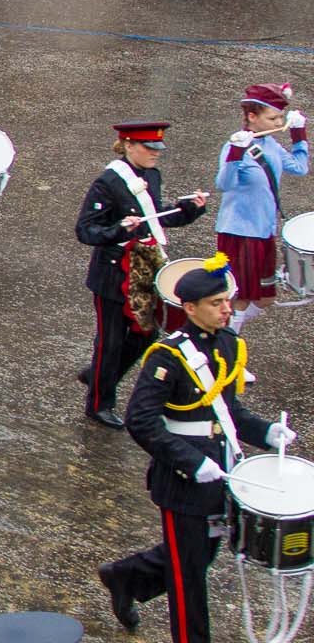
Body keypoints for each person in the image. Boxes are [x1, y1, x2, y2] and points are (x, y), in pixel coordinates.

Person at [96, 254, 291, 643]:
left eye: (228, 301)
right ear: (191, 307)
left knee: (198, 558)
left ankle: (128, 577)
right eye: (218, 303)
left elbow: (229, 411)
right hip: (183, 480)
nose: (227, 309)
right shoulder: (167, 356)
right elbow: (142, 420)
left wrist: (265, 431)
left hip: (221, 471)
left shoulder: (226, 346)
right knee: (190, 576)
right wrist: (189, 460)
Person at [77, 120, 211, 426]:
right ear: (128, 145)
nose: (155, 154)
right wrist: (117, 229)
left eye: (157, 148)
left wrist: (189, 209)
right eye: (148, 148)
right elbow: (85, 230)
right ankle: (98, 404)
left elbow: (154, 216)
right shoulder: (108, 182)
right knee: (110, 343)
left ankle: (98, 375)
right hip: (113, 273)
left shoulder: (151, 174)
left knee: (145, 334)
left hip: (143, 268)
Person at [214, 82, 308, 330]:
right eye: (273, 117)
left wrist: (299, 135)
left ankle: (224, 331)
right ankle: (228, 346)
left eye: (281, 118)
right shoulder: (235, 146)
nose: (279, 123)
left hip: (264, 232)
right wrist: (236, 152)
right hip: (239, 233)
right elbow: (223, 184)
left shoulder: (272, 145)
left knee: (266, 297)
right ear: (252, 117)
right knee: (241, 296)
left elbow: (300, 168)